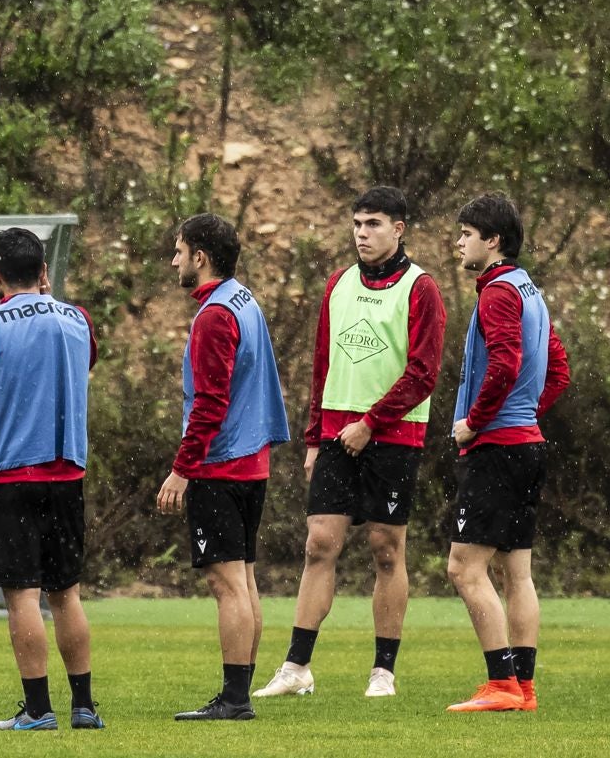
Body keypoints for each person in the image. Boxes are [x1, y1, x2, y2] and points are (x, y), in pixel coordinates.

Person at [256, 186, 445, 700]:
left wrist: (372, 422)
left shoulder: (421, 288)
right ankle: (297, 666)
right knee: (319, 544)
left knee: (387, 551)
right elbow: (323, 366)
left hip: (394, 435)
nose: (362, 233)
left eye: (374, 223)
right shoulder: (338, 284)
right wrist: (315, 438)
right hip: (337, 436)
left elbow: (424, 373)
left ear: (399, 228)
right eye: (358, 223)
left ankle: (383, 670)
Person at [0, 227, 101, 731]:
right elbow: (86, 359)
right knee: (66, 592)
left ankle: (37, 710)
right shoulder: (78, 319)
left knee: (22, 594)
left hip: (12, 473)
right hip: (67, 470)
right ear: (45, 271)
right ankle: (84, 707)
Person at [155, 215, 291, 721]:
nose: (174, 260)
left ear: (201, 257)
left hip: (221, 463)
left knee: (227, 584)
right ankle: (238, 693)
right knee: (245, 580)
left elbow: (211, 401)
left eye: (179, 250)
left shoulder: (215, 315)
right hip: (251, 461)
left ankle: (234, 699)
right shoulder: (244, 299)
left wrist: (182, 469)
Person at [443, 194, 569, 713]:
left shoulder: (497, 291)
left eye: (467, 233)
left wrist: (476, 422)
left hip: (498, 448)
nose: (459, 242)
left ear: (493, 240)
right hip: (526, 446)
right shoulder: (530, 291)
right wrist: (524, 416)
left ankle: (501, 684)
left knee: (463, 568)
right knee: (516, 573)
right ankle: (525, 688)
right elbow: (557, 370)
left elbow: (504, 364)